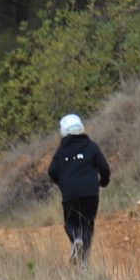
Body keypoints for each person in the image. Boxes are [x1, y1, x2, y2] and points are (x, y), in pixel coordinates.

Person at [45, 113, 111, 267]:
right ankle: (84, 261)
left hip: (70, 193)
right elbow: (104, 167)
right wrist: (103, 182)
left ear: (63, 131)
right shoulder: (91, 146)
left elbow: (52, 171)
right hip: (90, 191)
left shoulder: (61, 151)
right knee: (87, 223)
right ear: (81, 128)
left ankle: (76, 239)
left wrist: (63, 184)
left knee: (71, 222)